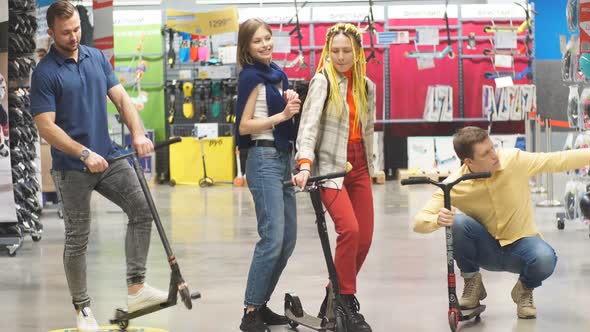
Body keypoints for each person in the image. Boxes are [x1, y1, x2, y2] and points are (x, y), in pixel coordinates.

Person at [30, 2, 167, 331]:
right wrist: (82, 153)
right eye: (65, 32)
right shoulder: (45, 72)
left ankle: (137, 288)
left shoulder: (96, 57)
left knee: (142, 208)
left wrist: (137, 132)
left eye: (76, 29)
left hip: (108, 156)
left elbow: (121, 98)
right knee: (78, 237)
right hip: (71, 166)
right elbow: (45, 126)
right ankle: (83, 308)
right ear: (51, 33)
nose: (74, 36)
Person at [413, 126, 590, 319]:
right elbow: (419, 221)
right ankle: (472, 283)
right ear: (469, 161)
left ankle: (524, 290)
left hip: (522, 246)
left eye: (493, 148)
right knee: (457, 222)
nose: (494, 155)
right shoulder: (455, 184)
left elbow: (556, 160)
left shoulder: (514, 160)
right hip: (486, 250)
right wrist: (436, 219)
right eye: (485, 153)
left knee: (545, 258)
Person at [293, 22, 376, 332]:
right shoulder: (322, 81)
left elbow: (368, 129)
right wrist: (304, 164)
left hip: (360, 169)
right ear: (328, 51)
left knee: (365, 238)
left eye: (347, 51)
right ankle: (345, 301)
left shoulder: (367, 86)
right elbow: (309, 126)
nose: (341, 57)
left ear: (357, 52)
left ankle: (334, 292)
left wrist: (374, 166)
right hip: (329, 168)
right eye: (335, 51)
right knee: (349, 230)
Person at [235, 18, 302, 332]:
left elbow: (282, 114)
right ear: (246, 47)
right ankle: (250, 311)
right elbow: (244, 126)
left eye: (267, 38)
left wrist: (290, 102)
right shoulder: (251, 77)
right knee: (272, 238)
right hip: (262, 160)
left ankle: (260, 305)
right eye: (257, 41)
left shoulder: (278, 73)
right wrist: (282, 115)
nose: (264, 45)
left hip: (284, 157)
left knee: (287, 240)